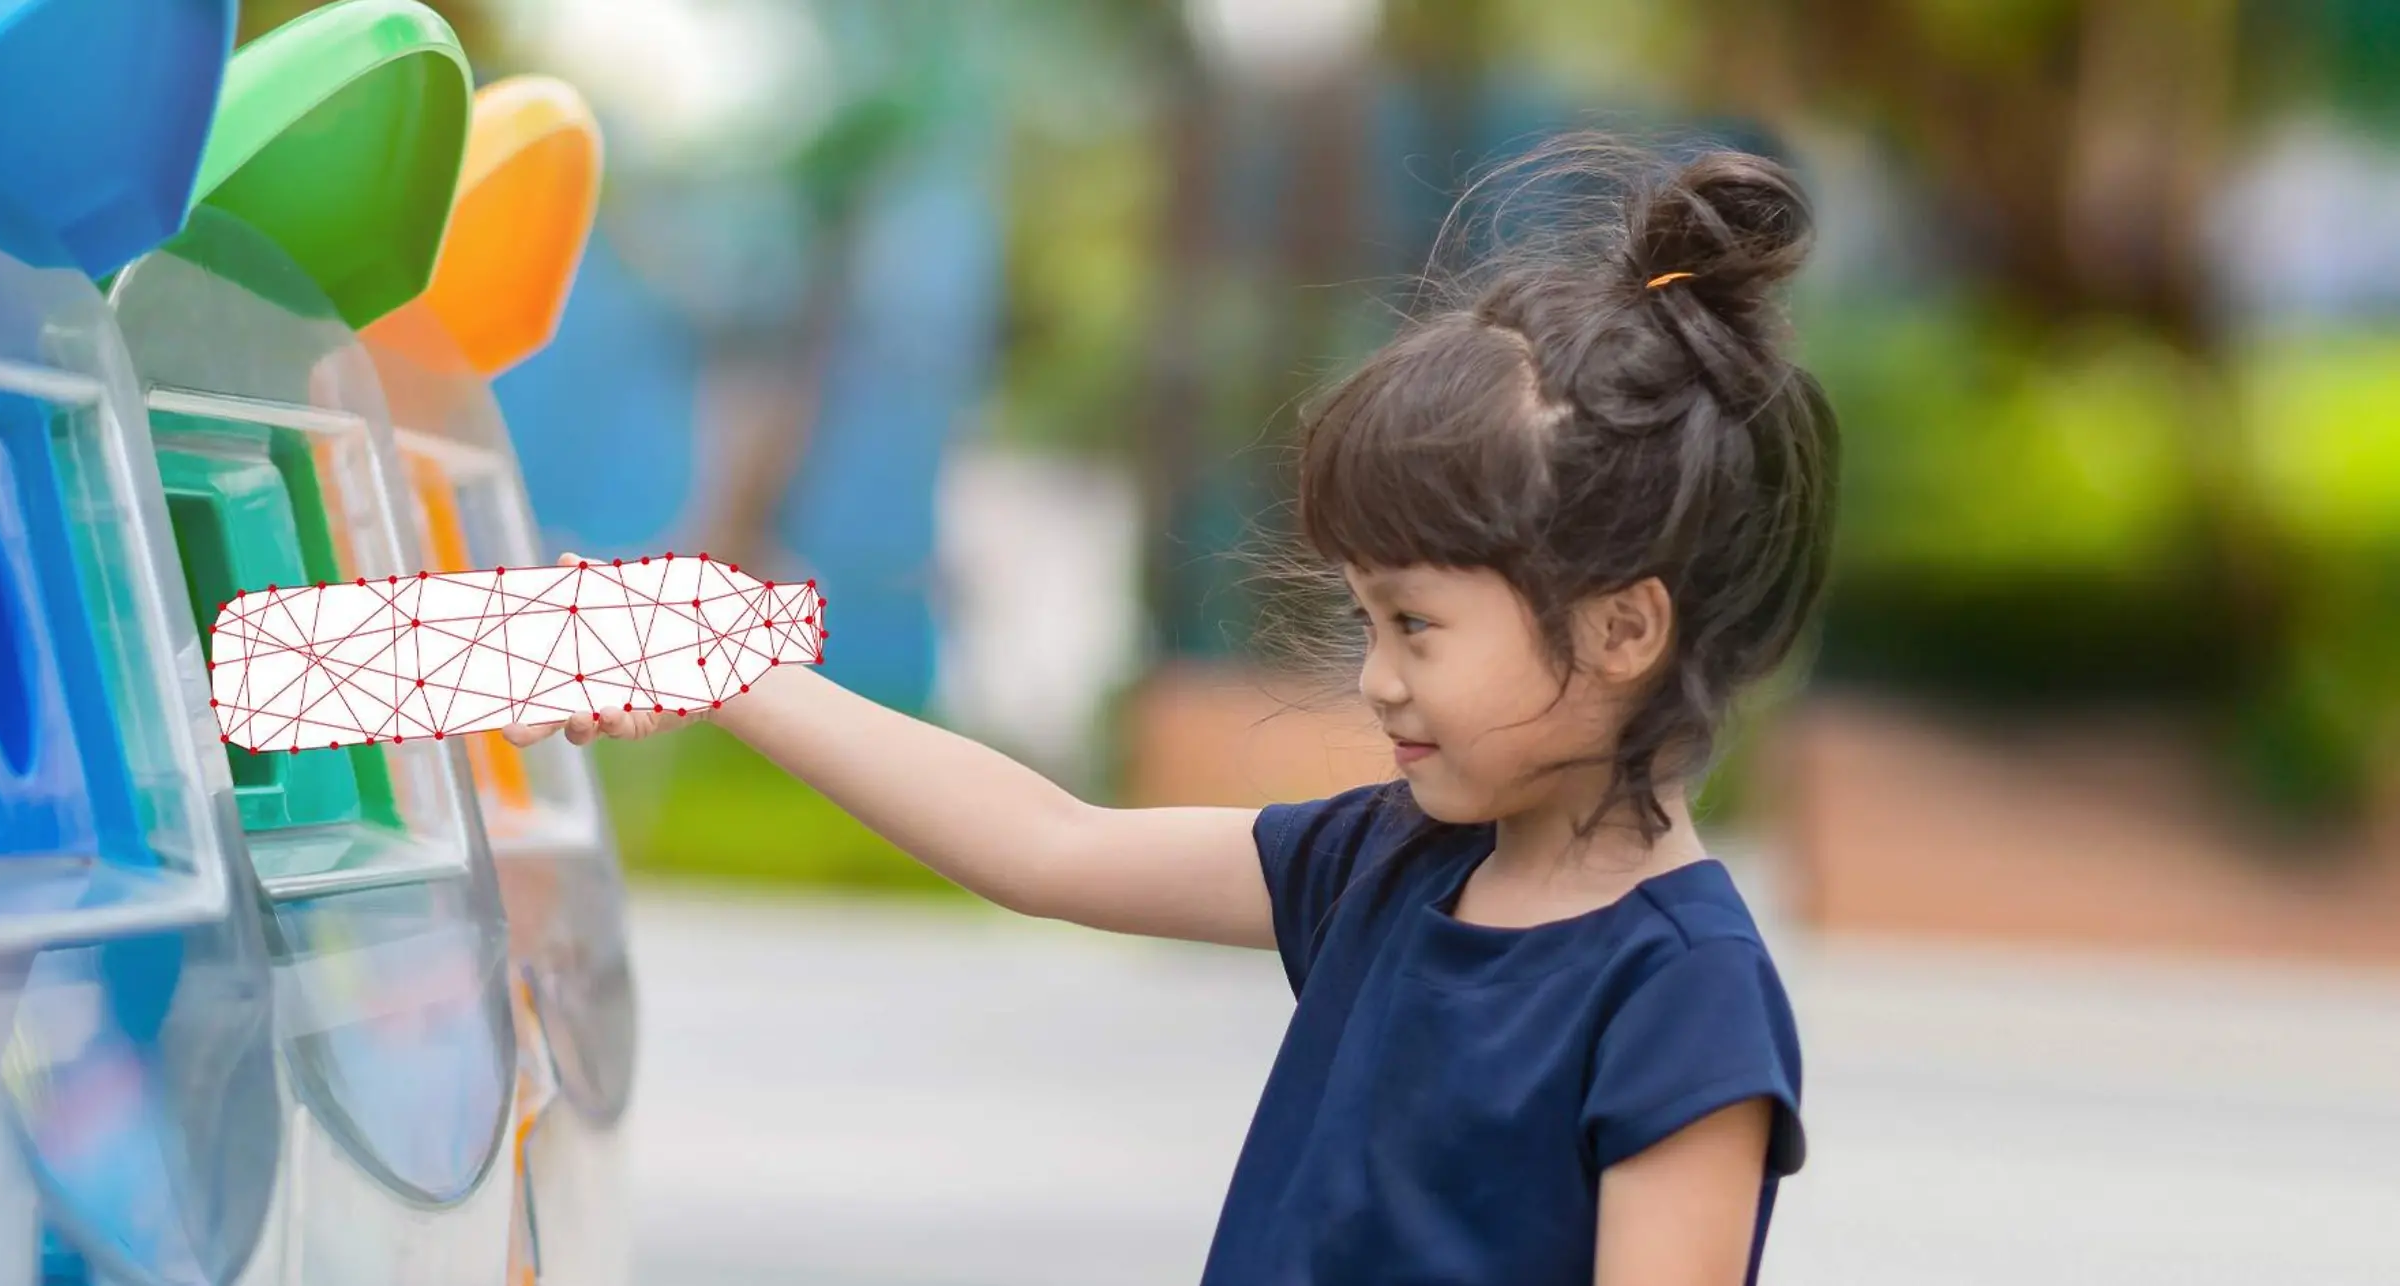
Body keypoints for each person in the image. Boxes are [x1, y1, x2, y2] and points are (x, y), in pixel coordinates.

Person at [508, 136, 1836, 1286]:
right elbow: (1044, 845)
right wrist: (716, 663)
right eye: (1366, 619)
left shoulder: (1683, 991)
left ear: (1621, 626)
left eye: (1416, 625)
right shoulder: (1383, 864)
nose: (1377, 676)